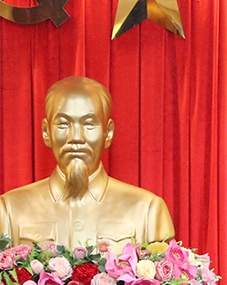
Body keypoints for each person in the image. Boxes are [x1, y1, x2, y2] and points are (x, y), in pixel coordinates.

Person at [0, 76, 175, 248]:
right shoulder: (9, 210)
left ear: (108, 132)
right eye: (63, 124)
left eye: (89, 124)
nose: (76, 137)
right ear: (46, 132)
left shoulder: (147, 210)